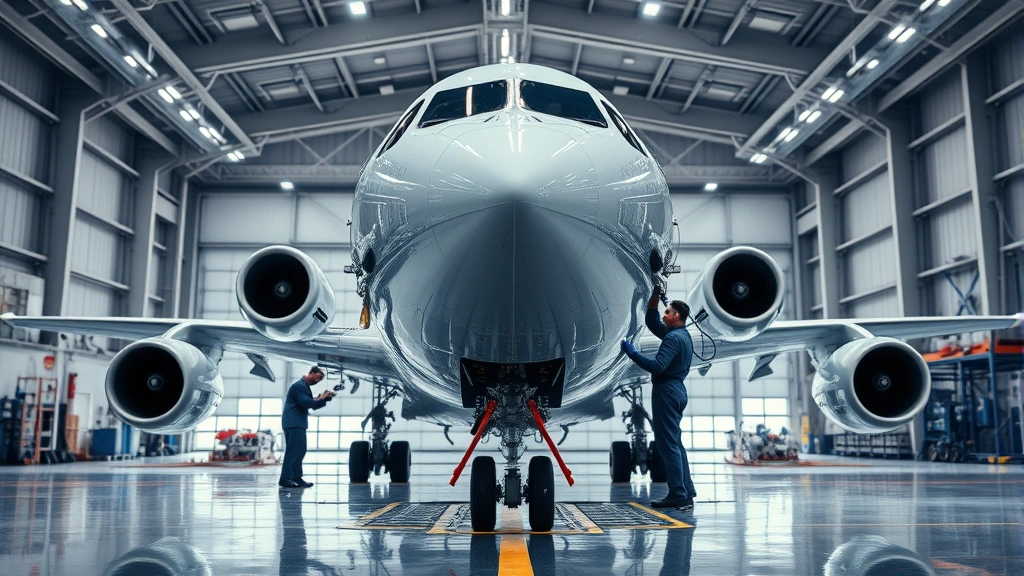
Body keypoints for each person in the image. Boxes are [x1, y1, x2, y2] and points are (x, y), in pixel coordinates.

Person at [620, 287, 696, 509]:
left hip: (667, 391)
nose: (664, 315)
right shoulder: (681, 336)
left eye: (668, 312)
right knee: (676, 444)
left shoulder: (672, 339)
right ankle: (686, 492)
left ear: (676, 317)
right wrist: (654, 298)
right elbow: (653, 323)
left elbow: (658, 366)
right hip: (677, 390)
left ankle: (678, 494)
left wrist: (632, 353)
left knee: (667, 445)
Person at [280, 366, 335, 488]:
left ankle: (296, 477)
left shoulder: (304, 387)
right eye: (318, 377)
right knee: (293, 451)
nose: (318, 381)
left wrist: (325, 398)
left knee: (300, 451)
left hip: (297, 423)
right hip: (294, 422)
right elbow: (307, 403)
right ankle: (285, 478)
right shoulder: (299, 386)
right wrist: (321, 398)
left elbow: (312, 404)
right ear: (312, 373)